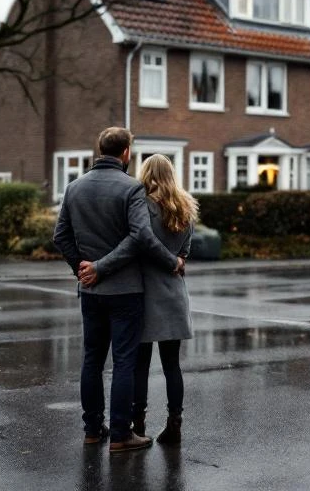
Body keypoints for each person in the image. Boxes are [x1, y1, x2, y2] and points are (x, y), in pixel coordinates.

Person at [53, 127, 184, 453]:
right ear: (126, 152)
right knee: (125, 362)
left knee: (92, 360)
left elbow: (61, 236)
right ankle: (123, 434)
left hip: (91, 293)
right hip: (125, 290)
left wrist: (82, 269)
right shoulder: (131, 189)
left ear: (101, 148)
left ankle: (93, 430)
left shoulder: (73, 187)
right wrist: (102, 268)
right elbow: (140, 236)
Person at [121, 154, 196, 445]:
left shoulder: (143, 207)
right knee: (171, 365)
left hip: (145, 292)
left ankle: (138, 424)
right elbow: (184, 253)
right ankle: (174, 424)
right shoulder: (185, 207)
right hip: (174, 294)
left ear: (146, 173)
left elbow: (139, 246)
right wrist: (176, 261)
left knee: (140, 365)